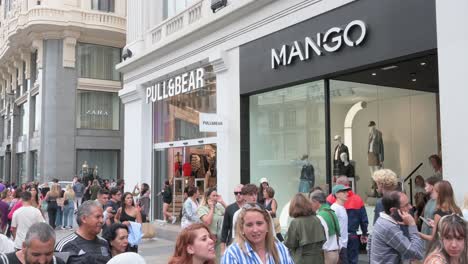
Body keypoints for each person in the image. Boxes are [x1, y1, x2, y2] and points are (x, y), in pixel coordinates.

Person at [221, 203, 294, 264]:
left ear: (268, 226)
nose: (255, 230)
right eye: (249, 225)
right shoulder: (233, 254)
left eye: (259, 223)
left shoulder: (280, 249)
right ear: (242, 228)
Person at [370, 191, 425, 263]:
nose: (410, 207)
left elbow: (369, 243)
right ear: (393, 210)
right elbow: (417, 253)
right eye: (406, 205)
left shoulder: (381, 220)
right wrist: (412, 225)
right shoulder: (389, 227)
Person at [327, 176, 369, 264]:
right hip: (352, 236)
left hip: (338, 239)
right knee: (353, 261)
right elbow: (363, 219)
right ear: (348, 184)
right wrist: (364, 233)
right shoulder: (357, 199)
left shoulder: (331, 199)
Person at [285, 193, 325, 264]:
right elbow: (324, 239)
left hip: (302, 259)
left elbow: (289, 243)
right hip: (318, 258)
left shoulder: (295, 222)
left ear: (293, 206)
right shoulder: (316, 219)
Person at [0, 222, 65, 264]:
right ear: (24, 247)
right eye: (36, 255)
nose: (42, 261)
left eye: (48, 254)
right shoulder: (4, 262)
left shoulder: (57, 262)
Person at [310, 190, 341, 264]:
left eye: (311, 202)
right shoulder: (331, 211)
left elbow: (320, 238)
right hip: (335, 253)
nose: (311, 205)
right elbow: (339, 231)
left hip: (326, 254)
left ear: (316, 201)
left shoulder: (320, 216)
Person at [197, 188, 226, 259]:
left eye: (216, 195)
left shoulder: (218, 207)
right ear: (208, 197)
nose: (216, 197)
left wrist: (222, 202)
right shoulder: (202, 208)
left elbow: (230, 213)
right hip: (208, 238)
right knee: (209, 259)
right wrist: (212, 208)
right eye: (213, 196)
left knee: (218, 259)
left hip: (219, 239)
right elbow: (208, 221)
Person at [220, 184, 244, 253]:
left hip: (247, 241)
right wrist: (222, 249)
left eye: (241, 193)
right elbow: (225, 229)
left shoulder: (249, 207)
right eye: (236, 193)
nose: (238, 195)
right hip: (233, 241)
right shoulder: (229, 208)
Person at [330, 184, 350, 264]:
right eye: (344, 192)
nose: (347, 194)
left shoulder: (342, 207)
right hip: (339, 246)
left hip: (343, 245)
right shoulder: (335, 208)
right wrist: (338, 245)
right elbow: (332, 228)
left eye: (347, 192)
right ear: (337, 194)